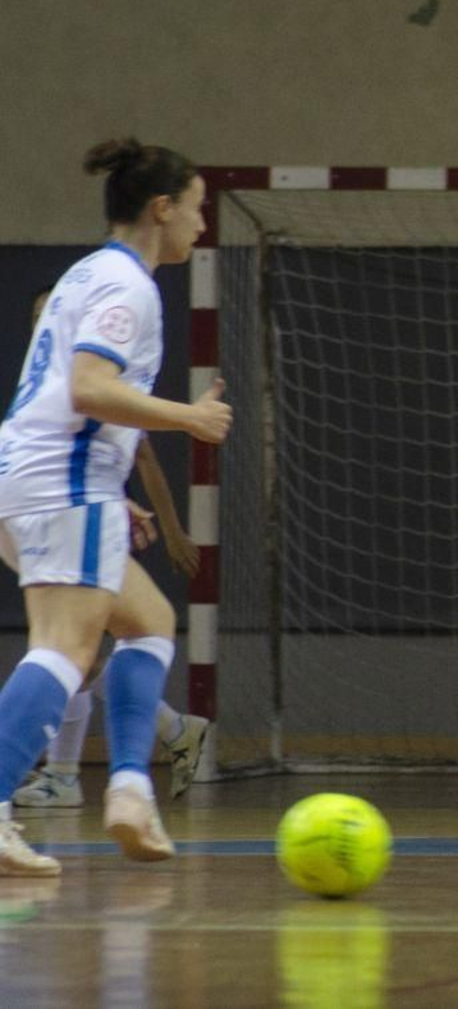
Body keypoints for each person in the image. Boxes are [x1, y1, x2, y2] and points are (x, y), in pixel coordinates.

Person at [0, 139, 231, 876]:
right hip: (63, 481)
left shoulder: (87, 273)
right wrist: (191, 418)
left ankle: (131, 790)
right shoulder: (128, 284)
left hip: (38, 476)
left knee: (149, 622)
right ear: (161, 209)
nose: (202, 224)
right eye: (195, 208)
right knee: (64, 648)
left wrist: (115, 490)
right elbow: (89, 388)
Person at [9, 290, 211, 811]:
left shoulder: (97, 374)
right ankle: (161, 741)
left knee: (75, 647)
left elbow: (142, 457)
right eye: (38, 315)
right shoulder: (46, 379)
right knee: (83, 649)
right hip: (58, 511)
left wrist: (171, 530)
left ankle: (69, 775)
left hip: (82, 519)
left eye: (50, 313)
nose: (45, 321)